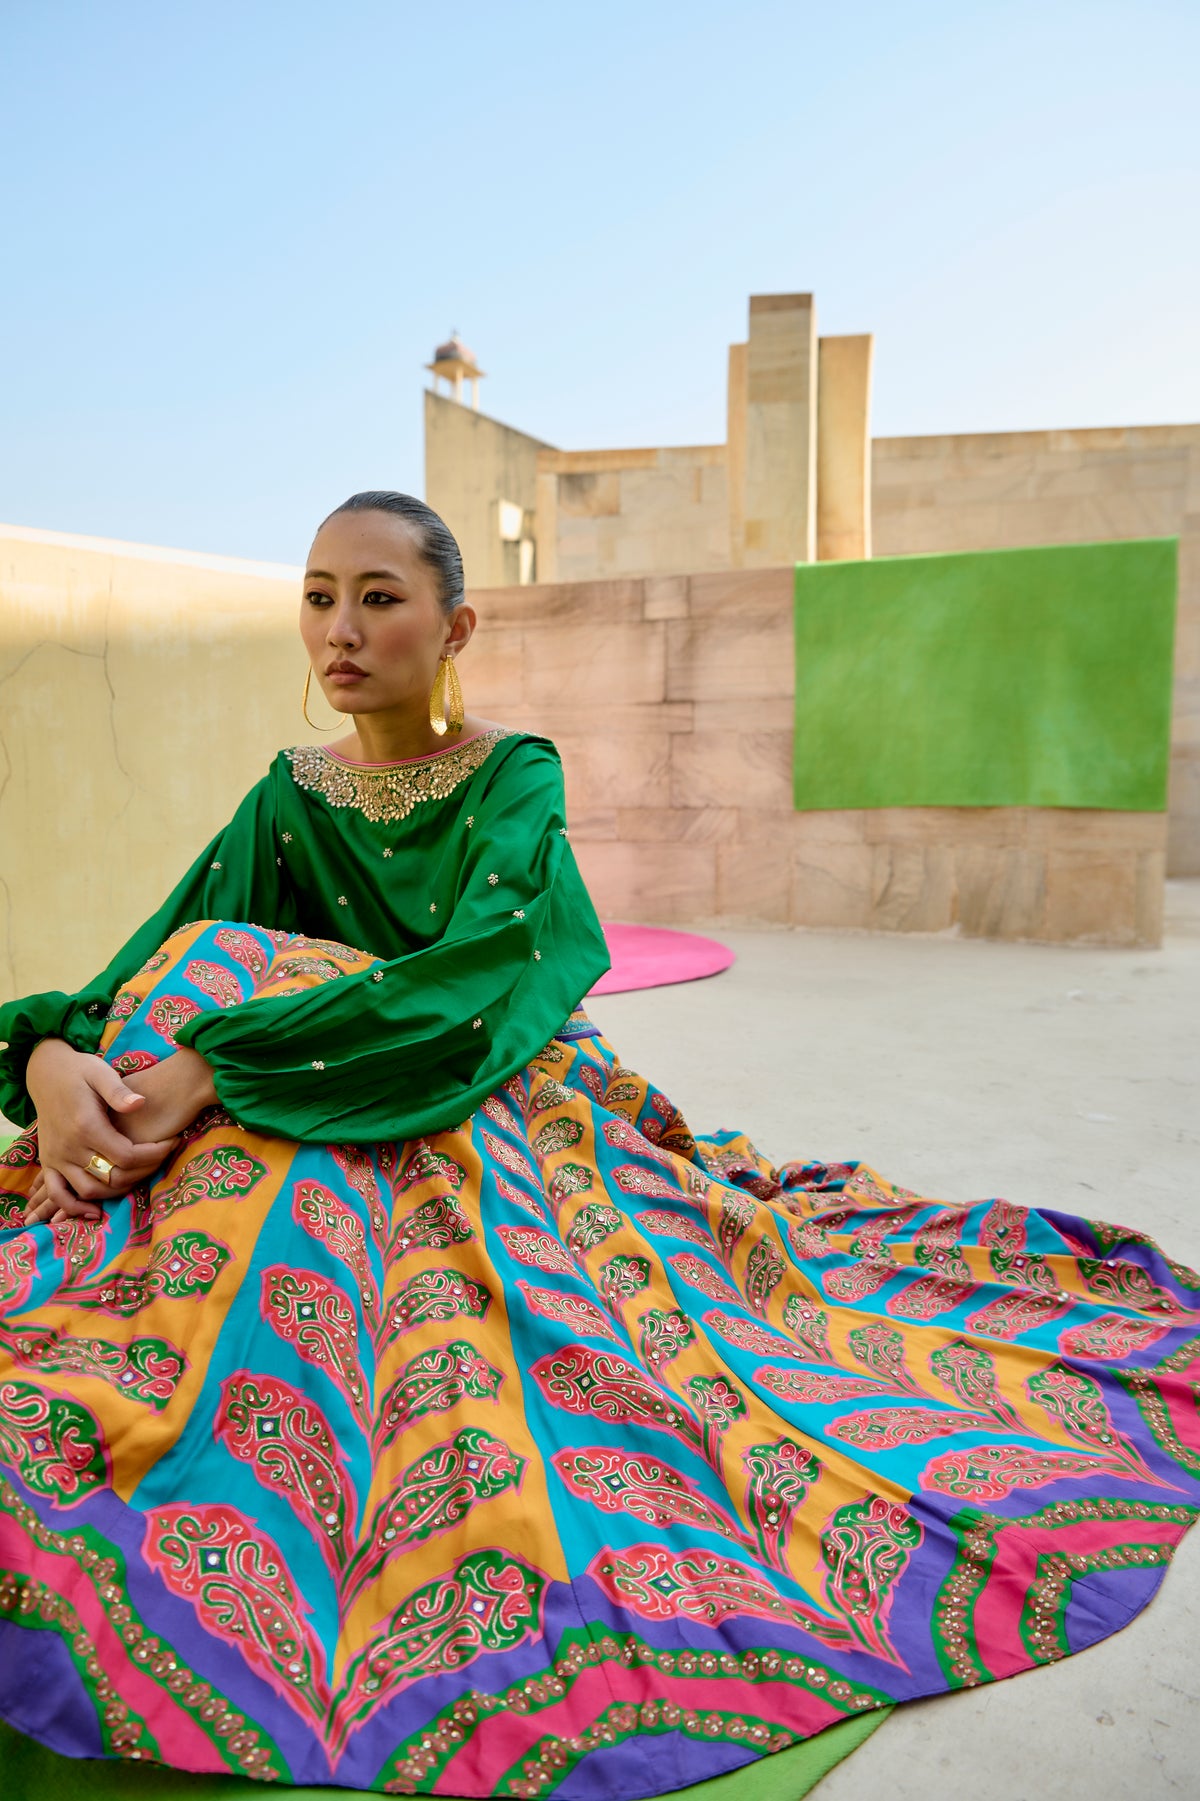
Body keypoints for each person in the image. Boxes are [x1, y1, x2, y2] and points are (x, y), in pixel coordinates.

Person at [0, 492, 1197, 1798]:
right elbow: (157, 957)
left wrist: (218, 1061)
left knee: (264, 1030)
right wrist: (57, 1060)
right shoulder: (288, 797)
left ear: (457, 625)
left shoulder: (514, 773)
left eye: (380, 597)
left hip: (492, 1080)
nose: (339, 629)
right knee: (219, 960)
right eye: (319, 593)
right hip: (302, 1094)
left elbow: (486, 977)